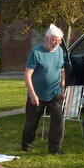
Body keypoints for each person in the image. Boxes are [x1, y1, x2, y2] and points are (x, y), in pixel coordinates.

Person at [21, 24, 65, 154]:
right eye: (54, 40)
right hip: (37, 94)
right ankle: (26, 147)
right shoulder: (36, 52)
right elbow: (27, 74)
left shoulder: (60, 51)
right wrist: (32, 94)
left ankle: (54, 150)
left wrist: (62, 86)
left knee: (57, 122)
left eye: (59, 40)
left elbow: (61, 69)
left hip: (55, 93)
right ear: (46, 38)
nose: (56, 43)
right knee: (31, 124)